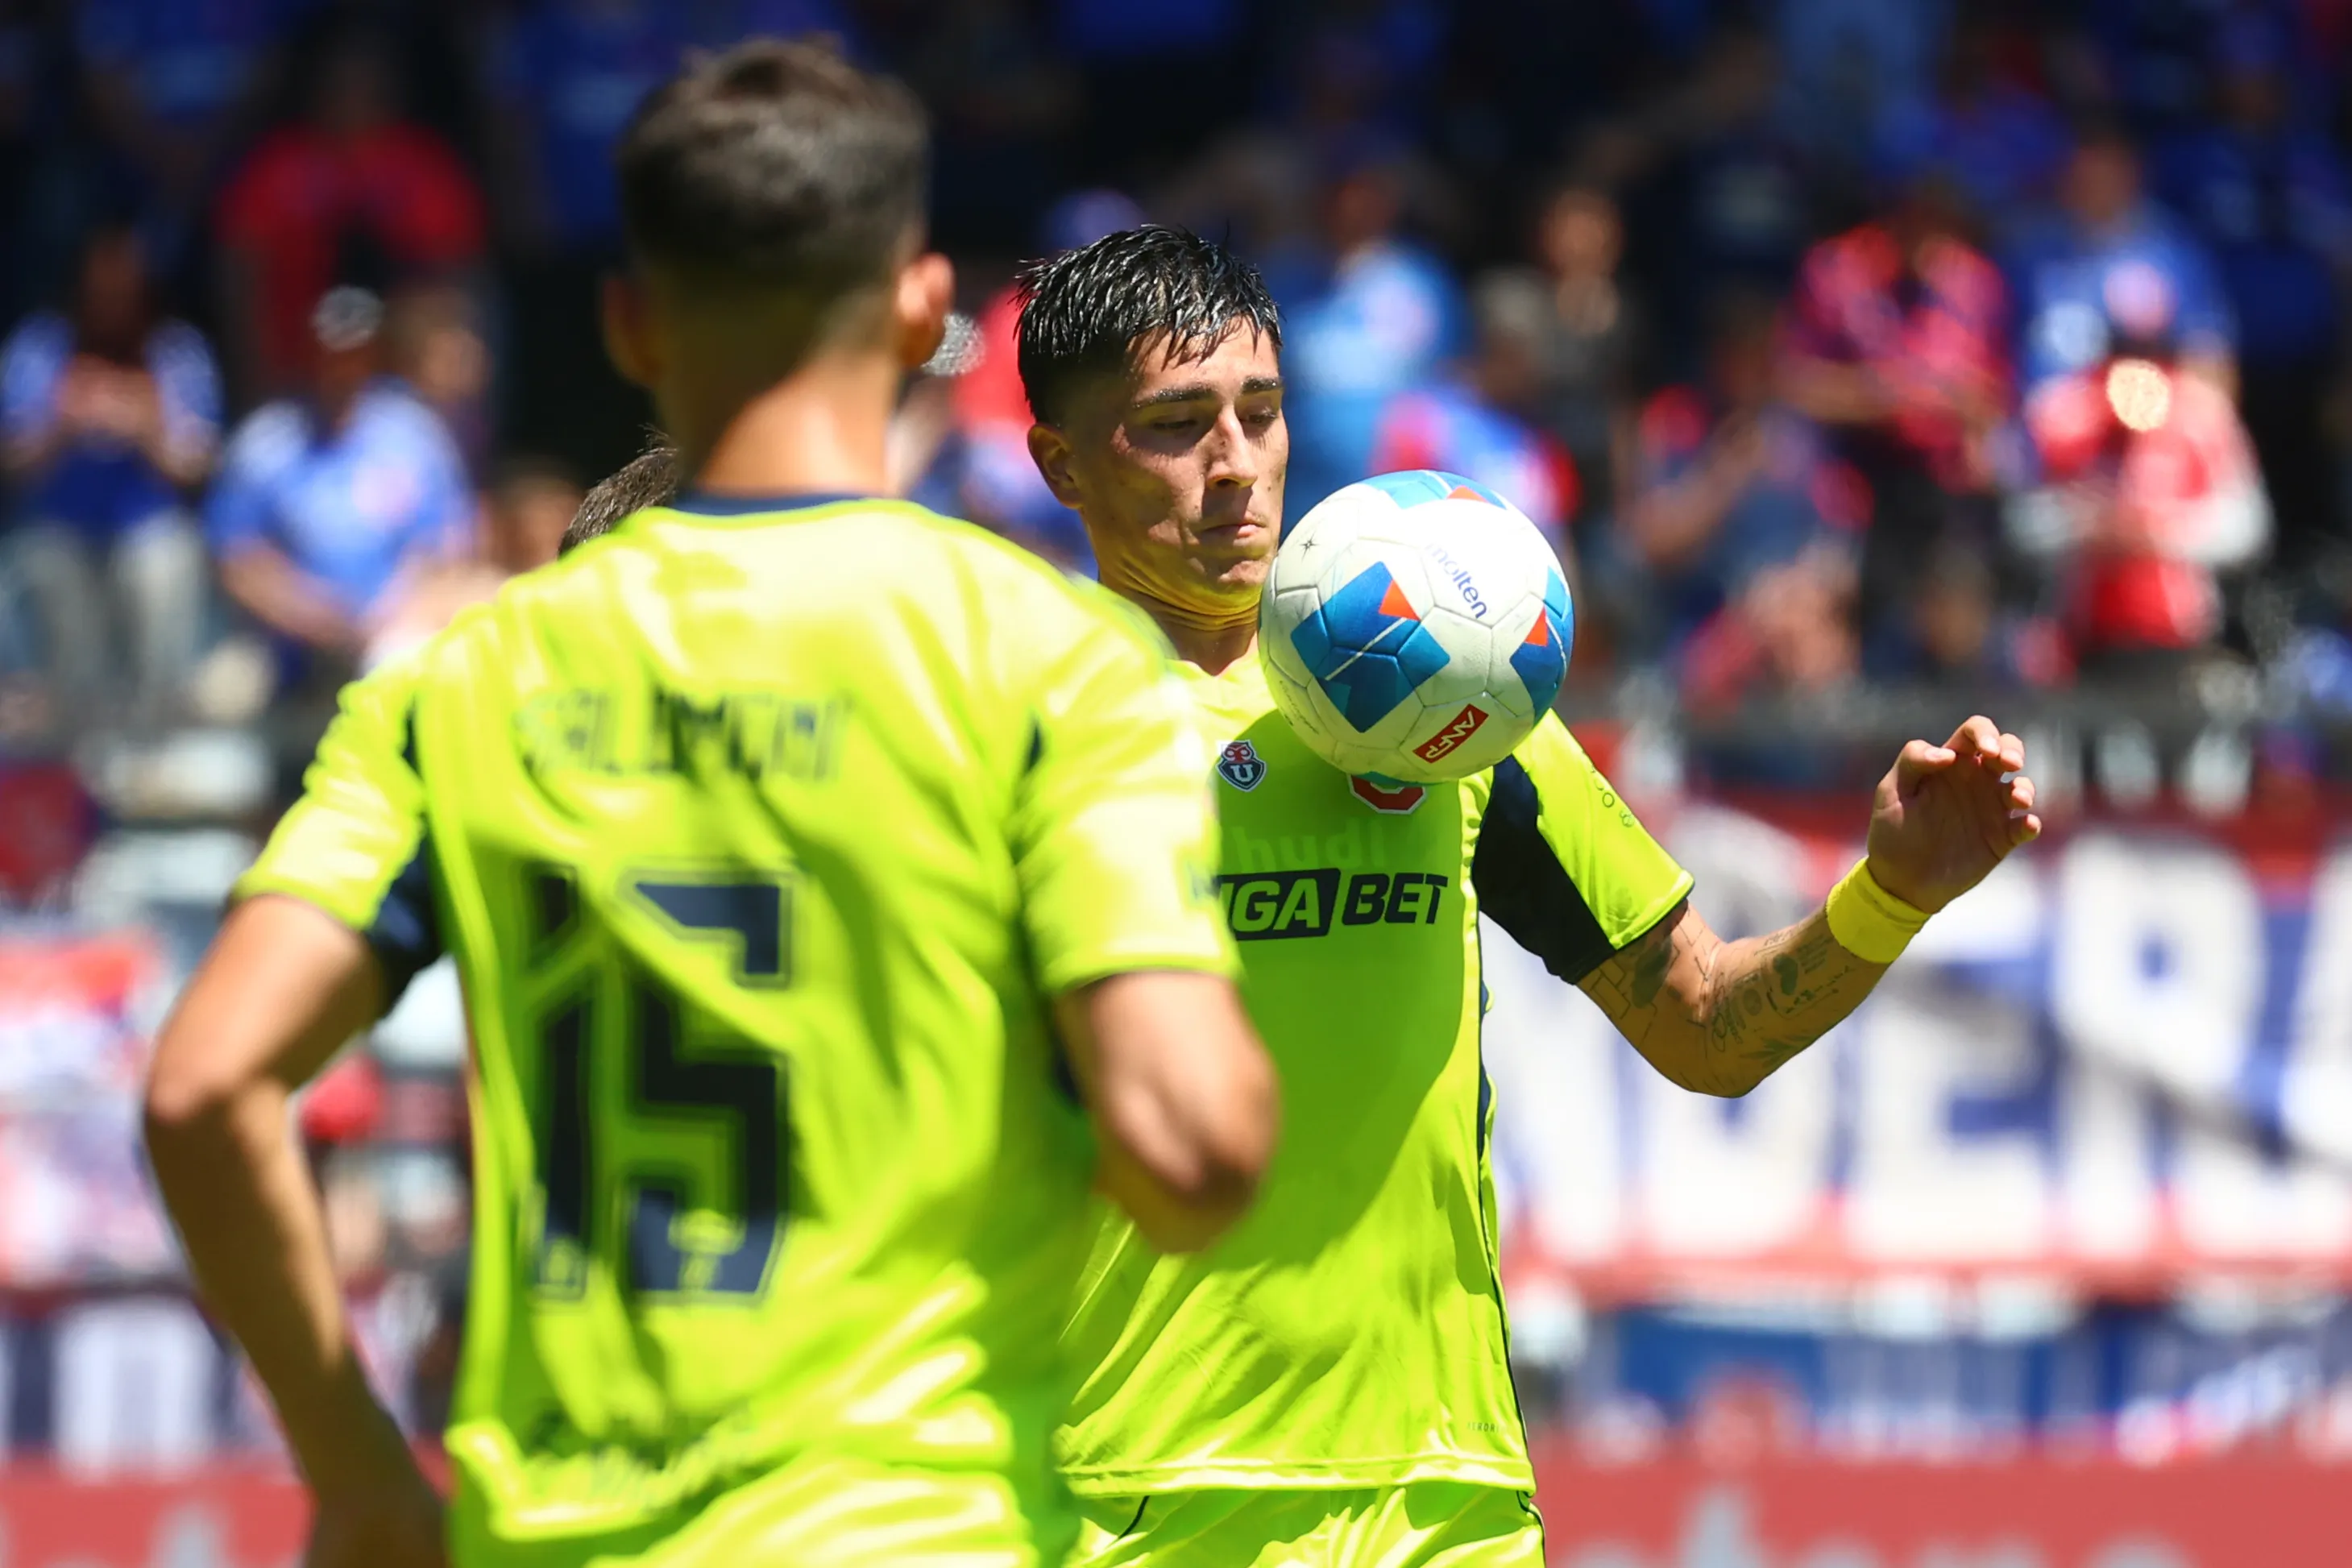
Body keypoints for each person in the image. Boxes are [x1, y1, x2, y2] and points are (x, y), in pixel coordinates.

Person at [145, 42, 1274, 1568]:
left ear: (627, 320)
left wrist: (355, 1473)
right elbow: (1192, 1146)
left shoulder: (461, 676)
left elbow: (203, 1087)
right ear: (922, 306)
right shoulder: (1047, 660)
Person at [1017, 225, 2039, 1567]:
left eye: (1256, 414)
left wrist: (1888, 895)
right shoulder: (1017, 724)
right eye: (1171, 426)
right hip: (1128, 1495)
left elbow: (1704, 1024)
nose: (1232, 469)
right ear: (1058, 462)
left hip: (1446, 1497)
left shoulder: (1450, 697)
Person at [1, 222, 220, 720]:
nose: (112, 305)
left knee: (163, 565)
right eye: (102, 293)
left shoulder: (175, 350)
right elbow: (13, 467)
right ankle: (76, 747)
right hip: (59, 532)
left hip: (148, 529)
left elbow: (198, 469)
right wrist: (63, 420)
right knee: (46, 567)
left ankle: (155, 732)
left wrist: (145, 425)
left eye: (125, 293)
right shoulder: (41, 346)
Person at [204, 286, 474, 683]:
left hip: (394, 630)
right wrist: (312, 616)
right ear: (312, 353)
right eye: (333, 353)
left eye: (357, 353)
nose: (344, 368)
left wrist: (388, 614)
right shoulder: (266, 440)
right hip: (280, 647)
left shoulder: (413, 433)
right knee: (218, 701)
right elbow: (234, 557)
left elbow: (448, 543)